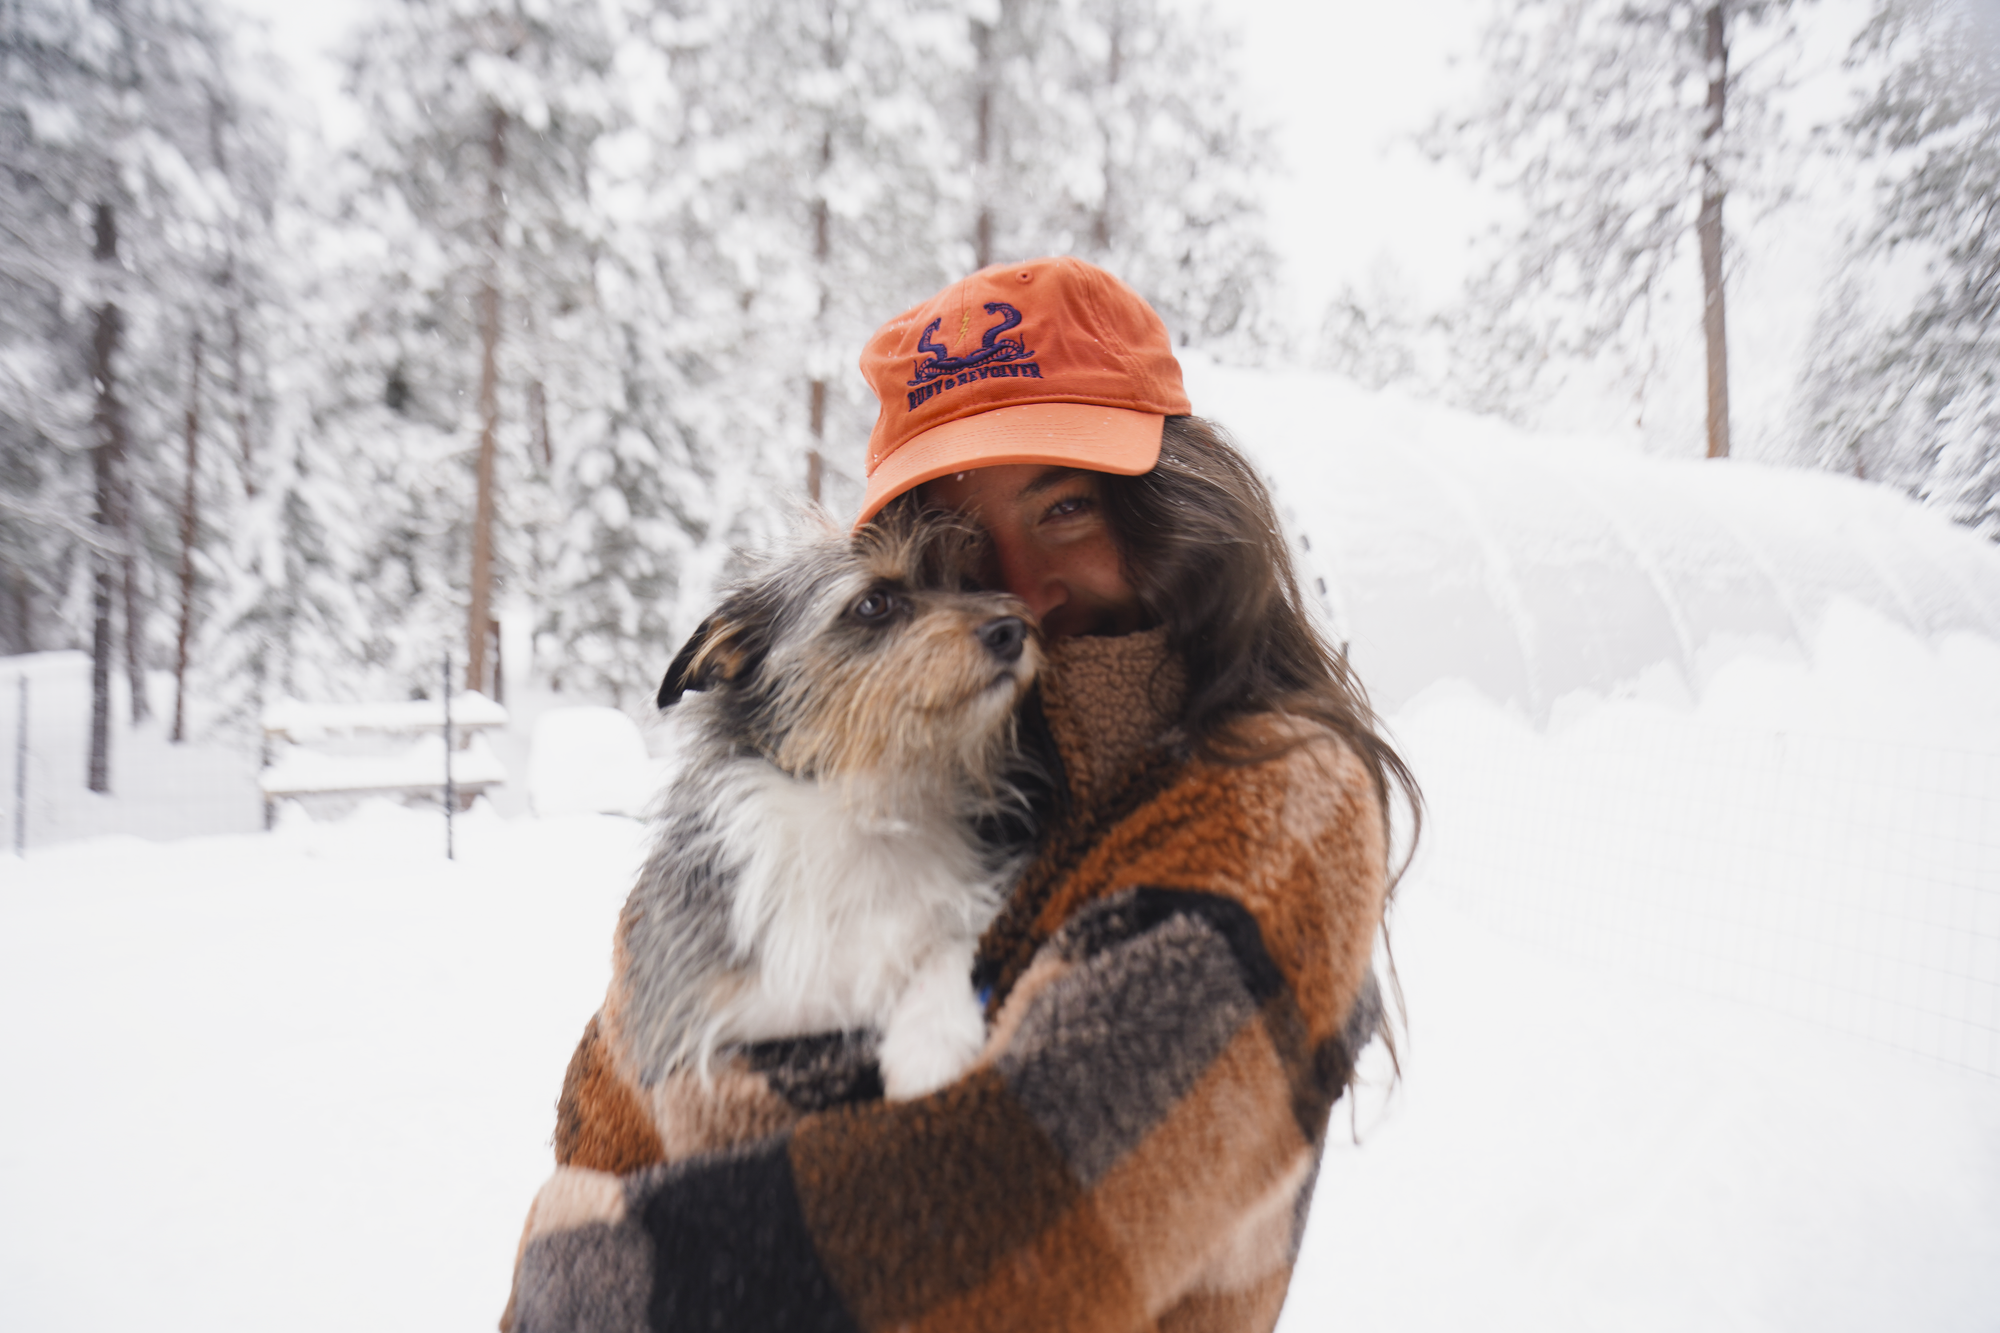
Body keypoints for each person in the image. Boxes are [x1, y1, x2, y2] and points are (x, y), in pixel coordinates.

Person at [506, 256, 1417, 1333]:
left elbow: (1028, 1217)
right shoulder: (925, 786)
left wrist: (588, 1276)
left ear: (1170, 509)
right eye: (963, 545)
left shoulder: (1282, 794)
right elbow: (612, 1107)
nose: (1014, 591)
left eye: (1065, 507)